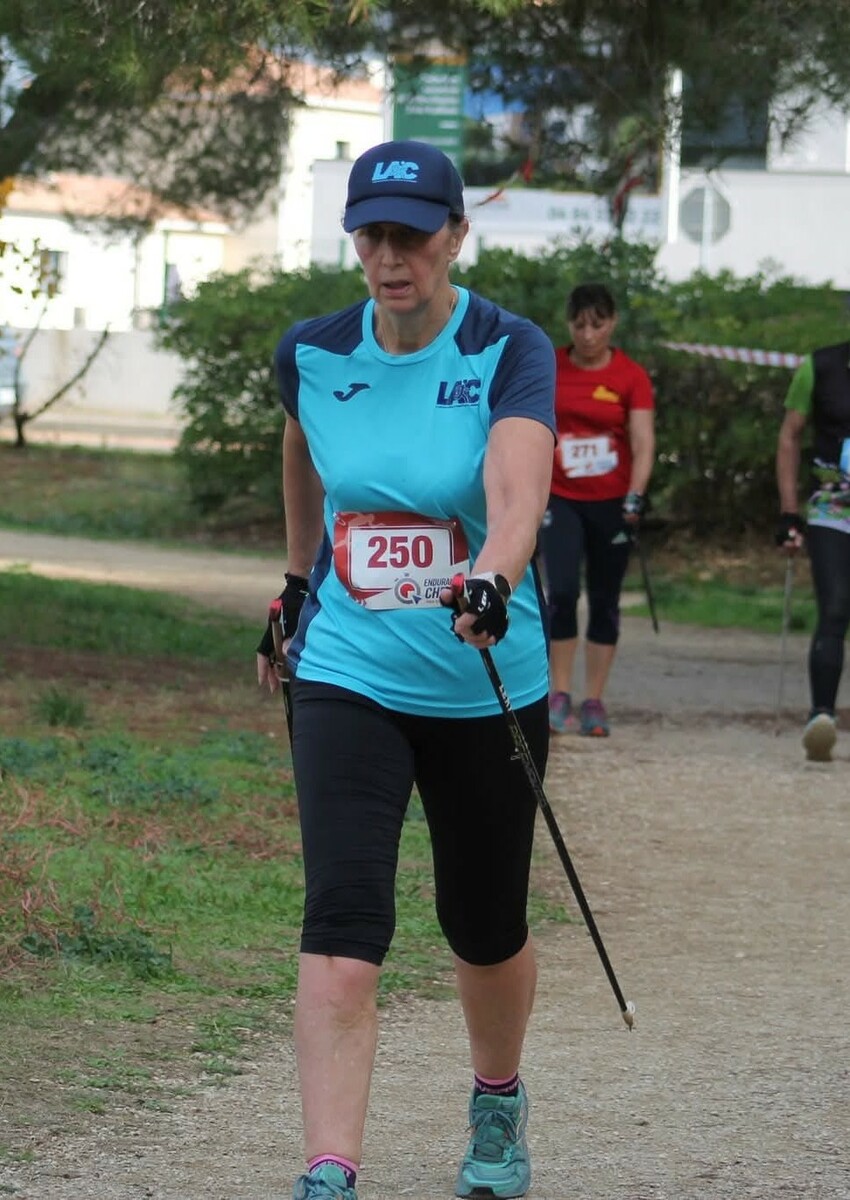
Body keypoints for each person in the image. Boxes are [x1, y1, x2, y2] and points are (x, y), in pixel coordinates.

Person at [256, 138, 557, 1200]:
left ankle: (496, 1098)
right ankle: (329, 1171)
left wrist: (492, 572)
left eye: (412, 235)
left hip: (486, 676)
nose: (391, 256)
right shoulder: (313, 352)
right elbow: (300, 443)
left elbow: (518, 491)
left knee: (483, 925)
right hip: (348, 670)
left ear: (454, 234)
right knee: (343, 919)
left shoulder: (504, 347)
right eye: (372, 235)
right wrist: (297, 584)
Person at [538, 282, 655, 738]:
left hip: (612, 502)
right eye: (579, 324)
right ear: (569, 324)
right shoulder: (550, 365)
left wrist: (636, 494)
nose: (588, 335)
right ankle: (560, 693)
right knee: (562, 591)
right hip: (561, 498)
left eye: (598, 324)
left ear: (613, 323)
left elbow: (643, 441)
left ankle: (595, 700)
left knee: (605, 599)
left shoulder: (630, 375)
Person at [776, 338, 850, 762]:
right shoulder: (819, 366)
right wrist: (789, 510)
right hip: (832, 509)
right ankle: (821, 717)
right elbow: (790, 436)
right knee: (836, 607)